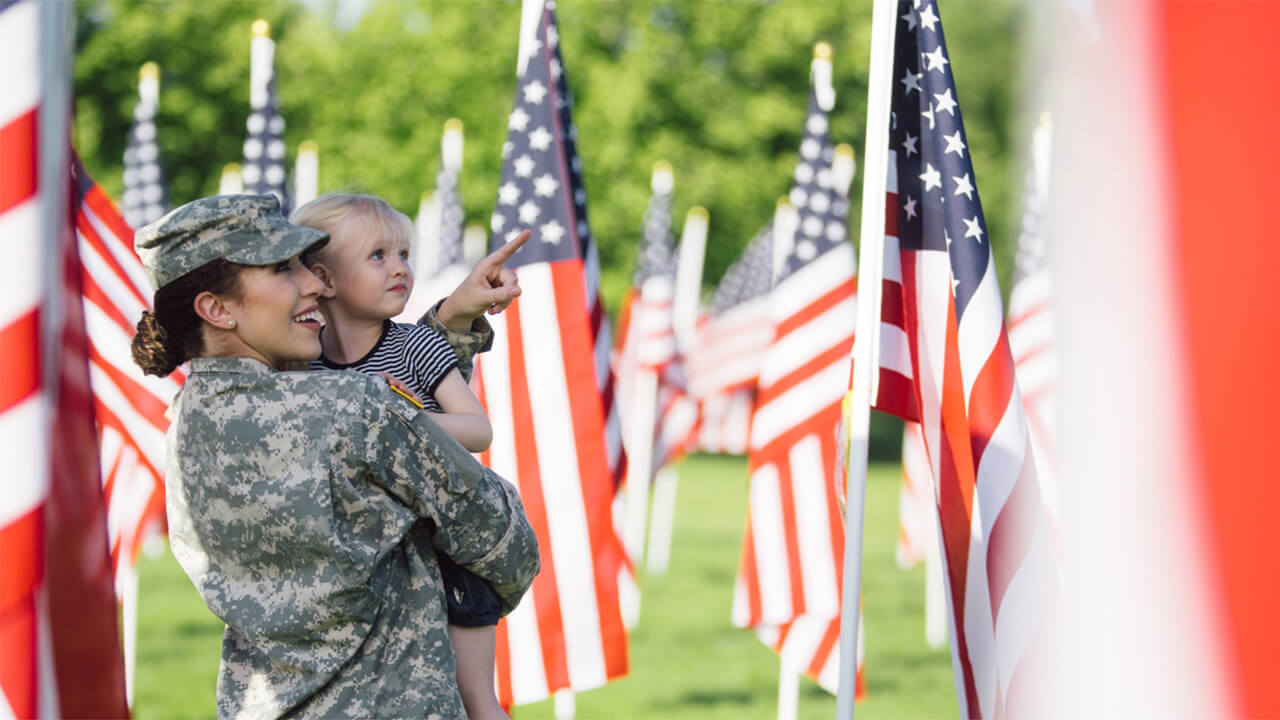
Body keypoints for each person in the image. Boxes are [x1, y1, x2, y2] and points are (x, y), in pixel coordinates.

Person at [130, 194, 538, 719]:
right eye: (283, 268)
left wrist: (448, 327)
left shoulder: (185, 425)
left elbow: (374, 378)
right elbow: (503, 541)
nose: (314, 284)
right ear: (217, 308)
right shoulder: (355, 410)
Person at [290, 193, 507, 719]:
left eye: (404, 254)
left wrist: (398, 417)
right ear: (325, 278)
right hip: (365, 564)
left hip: (447, 551)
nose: (401, 269)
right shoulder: (303, 366)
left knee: (474, 698)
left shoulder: (416, 347)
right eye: (379, 256)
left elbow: (478, 429)